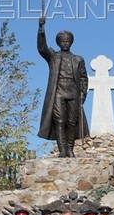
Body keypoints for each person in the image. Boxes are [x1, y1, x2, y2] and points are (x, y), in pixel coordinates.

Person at [37, 16, 89, 158]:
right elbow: (41, 48)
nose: (65, 43)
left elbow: (84, 78)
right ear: (59, 43)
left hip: (73, 91)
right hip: (58, 90)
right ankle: (62, 150)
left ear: (71, 42)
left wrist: (83, 94)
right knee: (59, 120)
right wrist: (41, 28)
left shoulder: (78, 59)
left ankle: (70, 149)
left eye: (67, 41)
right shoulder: (53, 56)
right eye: (62, 41)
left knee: (72, 121)